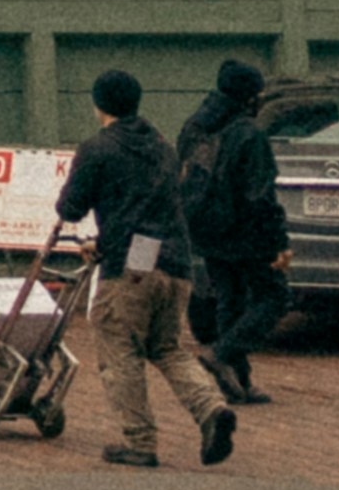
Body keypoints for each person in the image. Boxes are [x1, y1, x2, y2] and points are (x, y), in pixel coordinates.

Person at [59, 64, 232, 467]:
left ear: (98, 104)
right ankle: (212, 409)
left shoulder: (98, 148)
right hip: (174, 260)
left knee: (119, 346)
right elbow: (148, 211)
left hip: (131, 264)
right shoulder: (162, 146)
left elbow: (70, 207)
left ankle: (140, 441)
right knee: (167, 347)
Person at [176, 57, 291, 409]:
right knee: (273, 298)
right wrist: (278, 244)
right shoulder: (248, 134)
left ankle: (238, 381)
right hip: (246, 233)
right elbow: (260, 195)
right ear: (248, 97)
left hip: (206, 230)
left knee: (230, 299)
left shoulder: (195, 127)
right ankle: (221, 355)